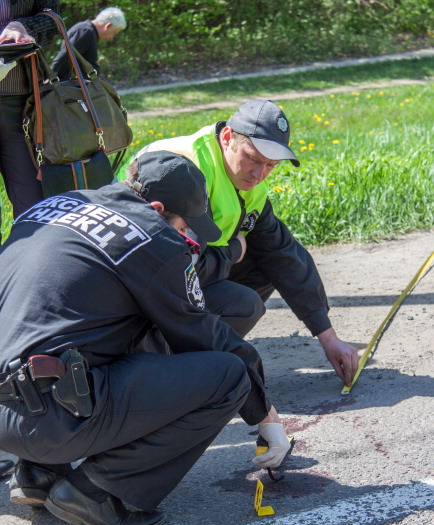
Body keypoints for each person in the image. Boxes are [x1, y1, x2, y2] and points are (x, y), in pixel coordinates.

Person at [0, 151, 290, 525]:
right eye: (186, 224)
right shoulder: (150, 236)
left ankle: (38, 471)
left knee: (77, 332)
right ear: (155, 208)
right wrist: (264, 415)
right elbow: (207, 336)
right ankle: (96, 493)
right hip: (48, 419)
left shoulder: (56, 205)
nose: (188, 236)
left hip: (10, 411)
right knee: (228, 377)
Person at [122, 100, 359, 387]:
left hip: (180, 275)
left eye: (271, 165)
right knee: (243, 303)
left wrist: (328, 336)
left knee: (267, 260)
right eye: (254, 159)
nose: (259, 175)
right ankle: (160, 369)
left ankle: (187, 357)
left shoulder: (249, 184)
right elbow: (179, 267)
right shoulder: (185, 172)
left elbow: (281, 251)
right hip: (135, 288)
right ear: (227, 138)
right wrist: (234, 250)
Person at [0, 1, 61, 231]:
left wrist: (24, 27)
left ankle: (30, 263)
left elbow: (53, 16)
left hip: (20, 105)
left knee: (33, 207)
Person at [51, 7, 126, 80]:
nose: (111, 37)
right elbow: (65, 56)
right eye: (114, 33)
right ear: (108, 26)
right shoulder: (86, 32)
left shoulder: (89, 32)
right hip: (70, 88)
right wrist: (50, 78)